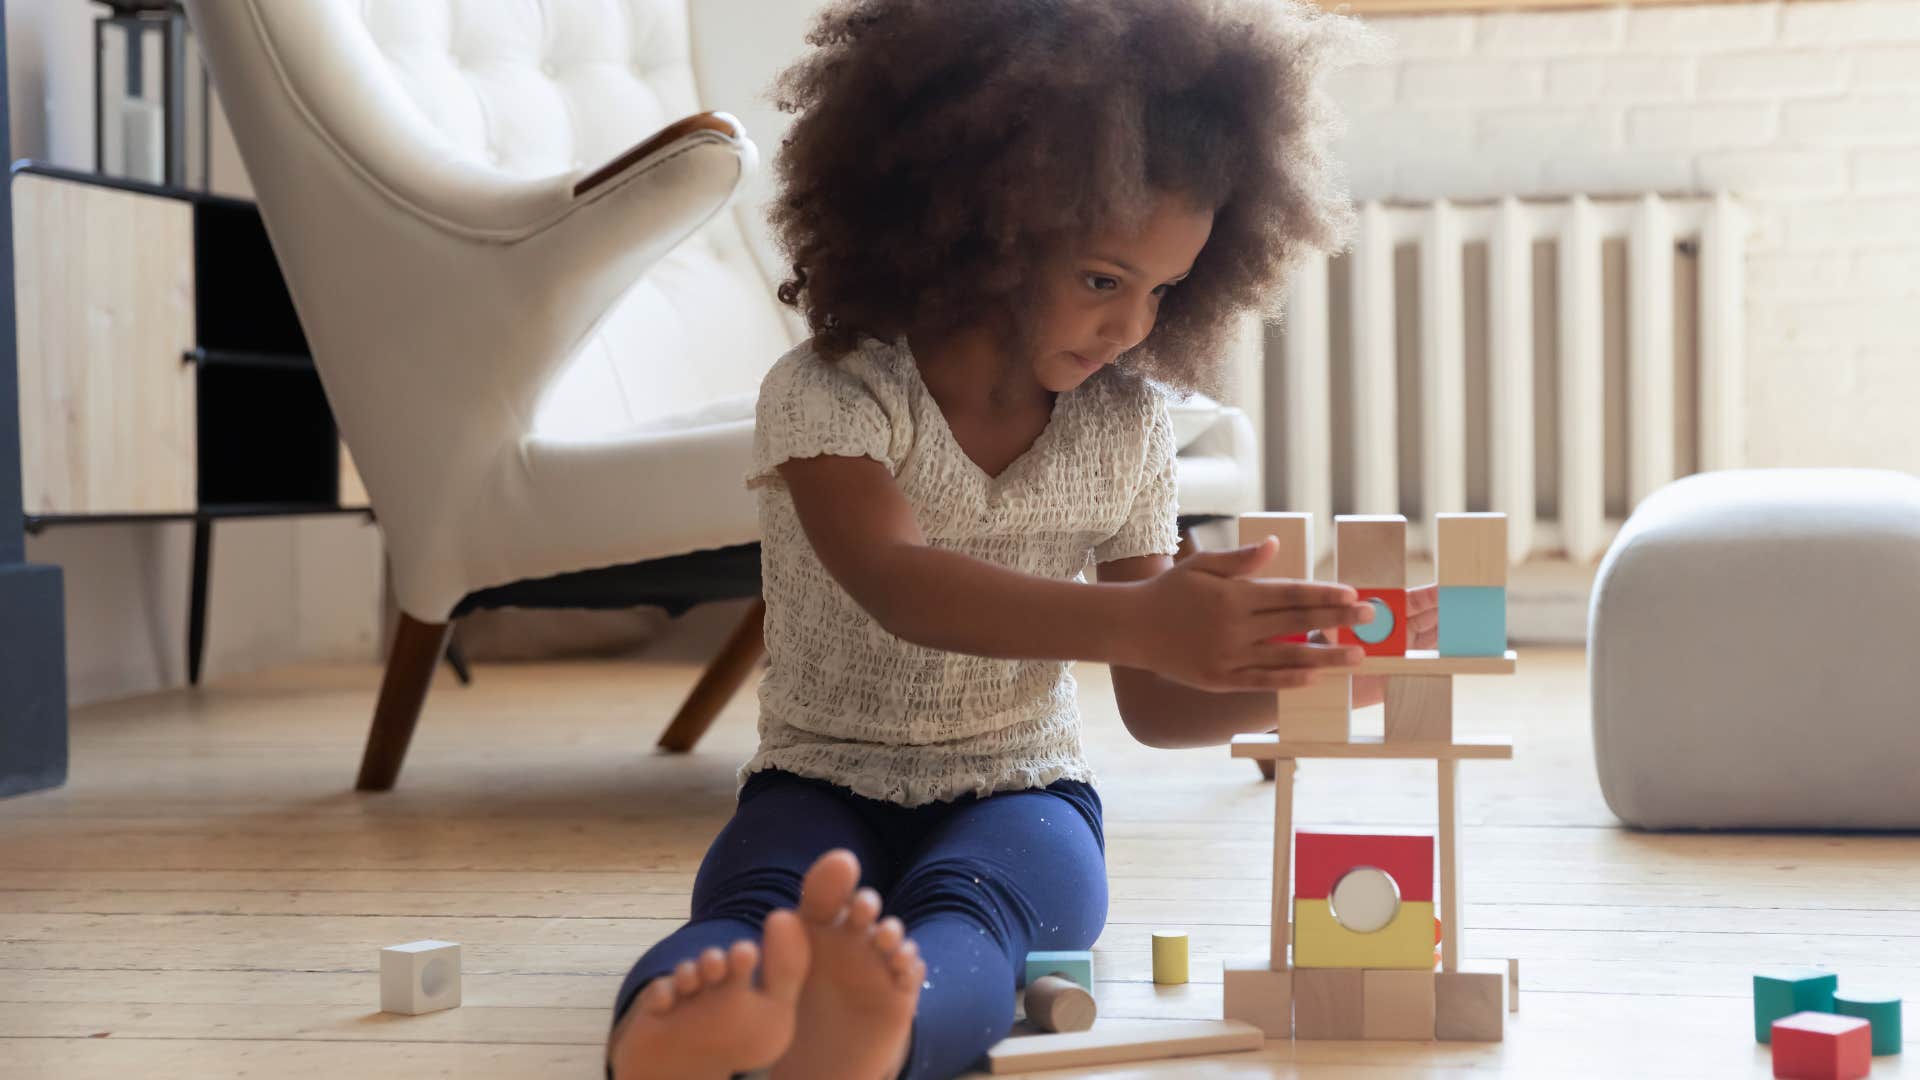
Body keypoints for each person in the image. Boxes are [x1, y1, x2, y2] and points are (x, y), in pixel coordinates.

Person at [606, 2, 1411, 1077]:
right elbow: (899, 582)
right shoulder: (835, 393)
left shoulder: (1125, 428)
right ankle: (680, 1022)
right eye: (1100, 280)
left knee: (988, 927)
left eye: (1164, 290)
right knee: (756, 898)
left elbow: (1159, 701)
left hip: (1022, 788)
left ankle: (874, 1042)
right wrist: (1146, 617)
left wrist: (1309, 675)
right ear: (979, 232)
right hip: (816, 778)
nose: (1132, 327)